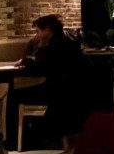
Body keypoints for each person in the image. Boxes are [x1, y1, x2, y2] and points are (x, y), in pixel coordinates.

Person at [15, 14, 89, 142]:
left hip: (57, 91)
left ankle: (16, 139)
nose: (37, 36)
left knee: (13, 95)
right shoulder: (68, 42)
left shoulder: (54, 45)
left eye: (38, 31)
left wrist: (28, 59)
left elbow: (39, 69)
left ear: (47, 29)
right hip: (71, 91)